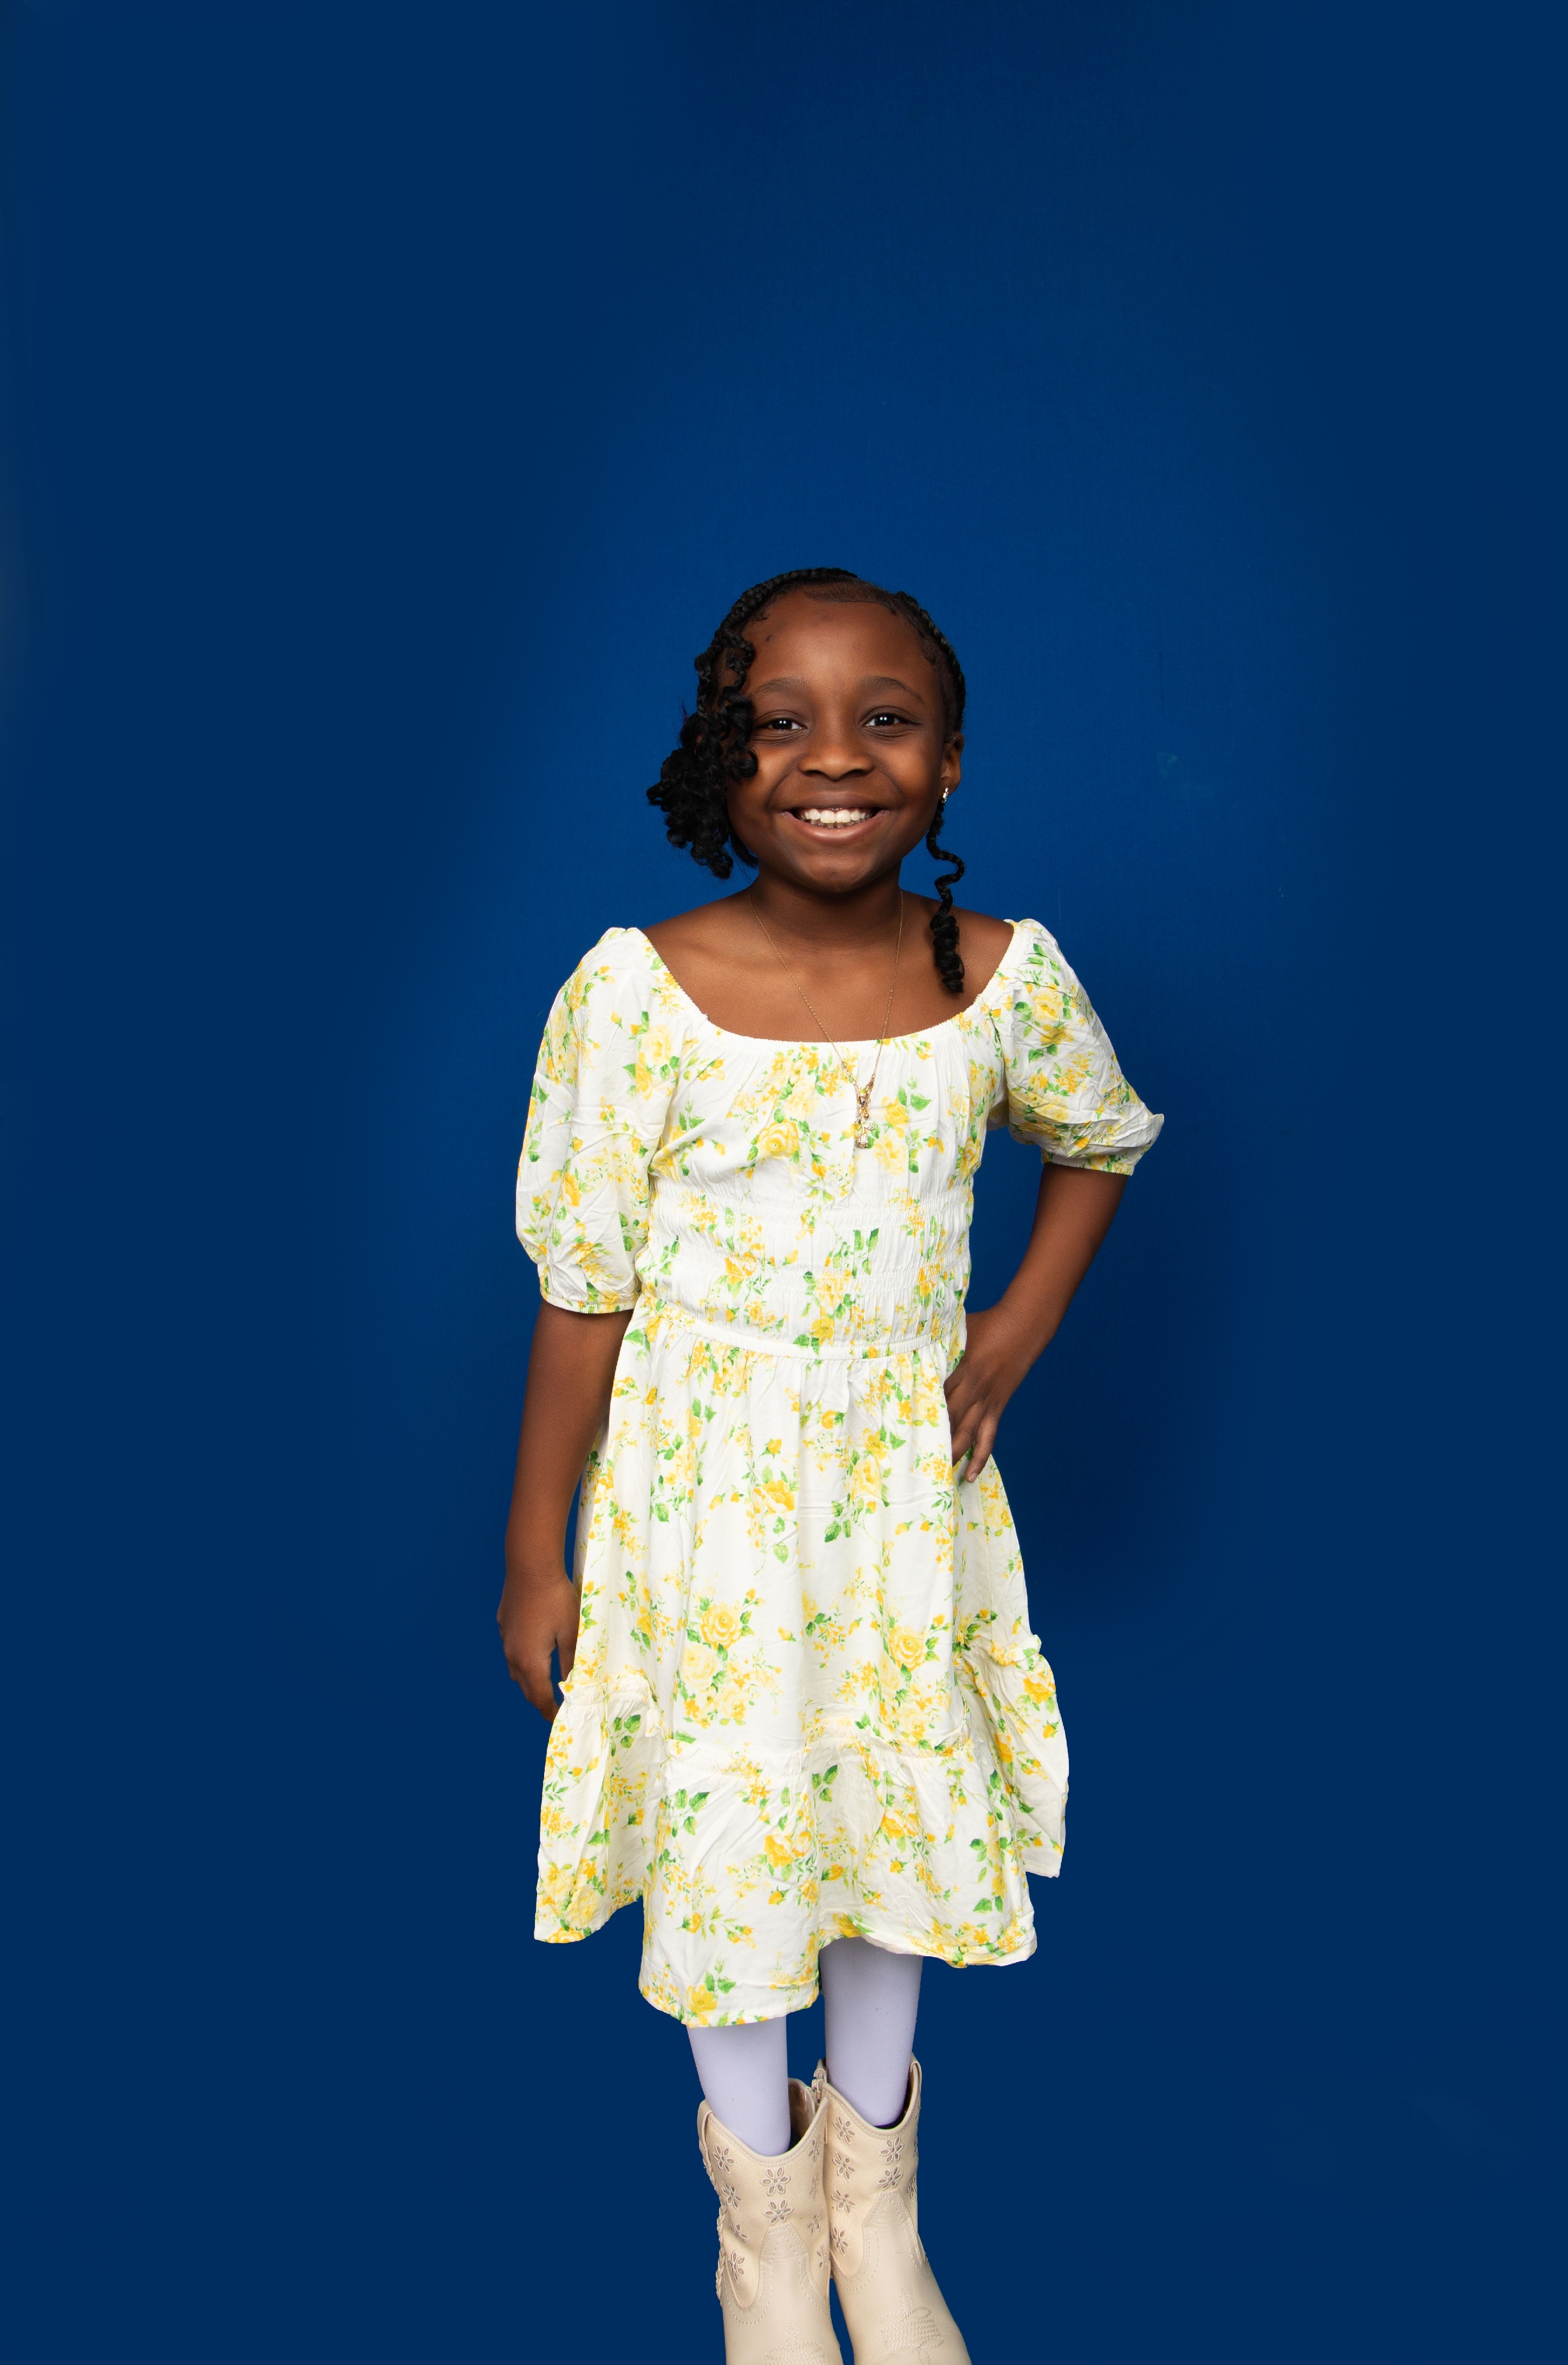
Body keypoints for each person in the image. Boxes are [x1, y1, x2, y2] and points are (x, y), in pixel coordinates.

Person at [498, 567, 1161, 2361]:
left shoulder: (1003, 980)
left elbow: (1099, 1138)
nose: (835, 759)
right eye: (779, 722)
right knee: (735, 1835)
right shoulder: (637, 994)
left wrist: (1012, 1333)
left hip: (896, 1502)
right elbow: (582, 1290)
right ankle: (769, 2244)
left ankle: (880, 2218)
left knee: (884, 1822)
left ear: (949, 762)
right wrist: (537, 1553)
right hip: (701, 1503)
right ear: (719, 759)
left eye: (886, 720)